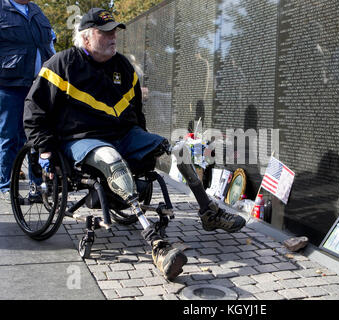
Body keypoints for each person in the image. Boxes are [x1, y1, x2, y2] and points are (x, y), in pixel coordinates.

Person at [23, 8, 246, 281]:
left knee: (178, 148)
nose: (112, 36)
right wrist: (44, 148)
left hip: (124, 134)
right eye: (105, 32)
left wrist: (143, 142)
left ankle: (207, 212)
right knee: (110, 157)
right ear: (86, 37)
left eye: (114, 31)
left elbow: (136, 113)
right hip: (81, 139)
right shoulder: (61, 64)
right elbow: (34, 109)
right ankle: (156, 244)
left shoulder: (123, 66)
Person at [0, 0, 55, 201]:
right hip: (9, 84)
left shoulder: (36, 10)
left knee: (36, 136)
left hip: (38, 85)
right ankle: (6, 186)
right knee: (10, 136)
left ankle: (36, 186)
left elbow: (49, 43)